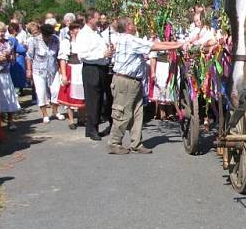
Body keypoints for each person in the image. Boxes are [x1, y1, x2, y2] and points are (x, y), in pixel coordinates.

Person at [107, 18, 185, 154]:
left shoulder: (127, 38)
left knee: (137, 112)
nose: (135, 25)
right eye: (132, 23)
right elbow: (154, 46)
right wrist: (177, 45)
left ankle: (136, 143)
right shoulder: (129, 40)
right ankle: (114, 143)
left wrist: (176, 43)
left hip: (134, 81)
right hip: (125, 80)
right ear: (128, 26)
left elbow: (155, 44)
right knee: (122, 112)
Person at [73, 9, 113, 141]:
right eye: (97, 18)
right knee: (93, 100)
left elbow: (100, 48)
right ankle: (92, 129)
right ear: (90, 19)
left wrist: (108, 50)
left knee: (100, 99)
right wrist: (102, 54)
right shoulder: (83, 34)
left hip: (101, 67)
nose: (100, 21)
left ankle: (94, 126)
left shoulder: (97, 33)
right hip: (91, 69)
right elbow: (83, 55)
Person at [27, 24, 63, 124]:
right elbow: (29, 56)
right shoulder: (33, 41)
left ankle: (55, 111)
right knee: (41, 92)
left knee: (56, 90)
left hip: (53, 69)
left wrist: (61, 69)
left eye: (50, 35)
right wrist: (28, 70)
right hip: (38, 70)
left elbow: (59, 55)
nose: (48, 37)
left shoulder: (55, 39)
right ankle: (45, 114)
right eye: (46, 35)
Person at [0, 21, 21, 130]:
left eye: (2, 32)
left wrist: (8, 57)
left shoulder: (8, 43)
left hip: (6, 73)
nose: (0, 34)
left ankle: (10, 121)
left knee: (9, 96)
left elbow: (13, 60)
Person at [57, 21, 85, 129]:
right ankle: (71, 119)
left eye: (78, 28)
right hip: (71, 69)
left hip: (82, 68)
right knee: (69, 95)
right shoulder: (66, 42)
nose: (76, 31)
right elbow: (63, 59)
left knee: (82, 94)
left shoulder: (83, 42)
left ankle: (82, 118)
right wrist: (63, 75)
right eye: (74, 29)